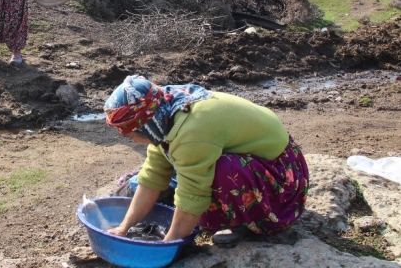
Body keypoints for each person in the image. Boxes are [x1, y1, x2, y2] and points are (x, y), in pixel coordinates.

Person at [104, 75, 309, 244]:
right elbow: (152, 178)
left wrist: (167, 244)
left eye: (132, 136)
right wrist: (123, 228)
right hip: (259, 161)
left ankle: (249, 223)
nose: (134, 142)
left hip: (282, 180)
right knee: (186, 171)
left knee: (221, 171)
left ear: (146, 125)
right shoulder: (164, 113)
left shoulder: (191, 131)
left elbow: (192, 196)